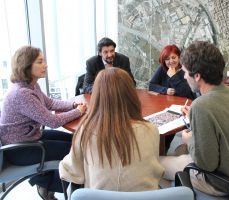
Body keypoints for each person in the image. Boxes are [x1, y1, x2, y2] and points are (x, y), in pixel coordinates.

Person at [159, 41, 229, 196]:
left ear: (197, 76)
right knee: (178, 152)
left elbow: (206, 164)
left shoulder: (201, 106)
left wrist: (189, 140)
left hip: (221, 181)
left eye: (185, 72)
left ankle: (180, 194)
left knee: (154, 165)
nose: (184, 76)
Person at [0, 46, 87, 200]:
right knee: (76, 151)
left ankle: (45, 182)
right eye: (40, 61)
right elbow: (51, 121)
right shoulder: (22, 94)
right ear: (26, 65)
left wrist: (72, 105)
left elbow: (50, 103)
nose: (45, 65)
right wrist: (78, 112)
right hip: (20, 149)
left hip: (31, 137)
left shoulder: (31, 85)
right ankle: (53, 186)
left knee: (77, 141)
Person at [59, 68, 164, 191]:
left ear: (97, 97)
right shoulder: (151, 130)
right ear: (131, 95)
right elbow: (155, 172)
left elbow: (72, 173)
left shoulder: (86, 131)